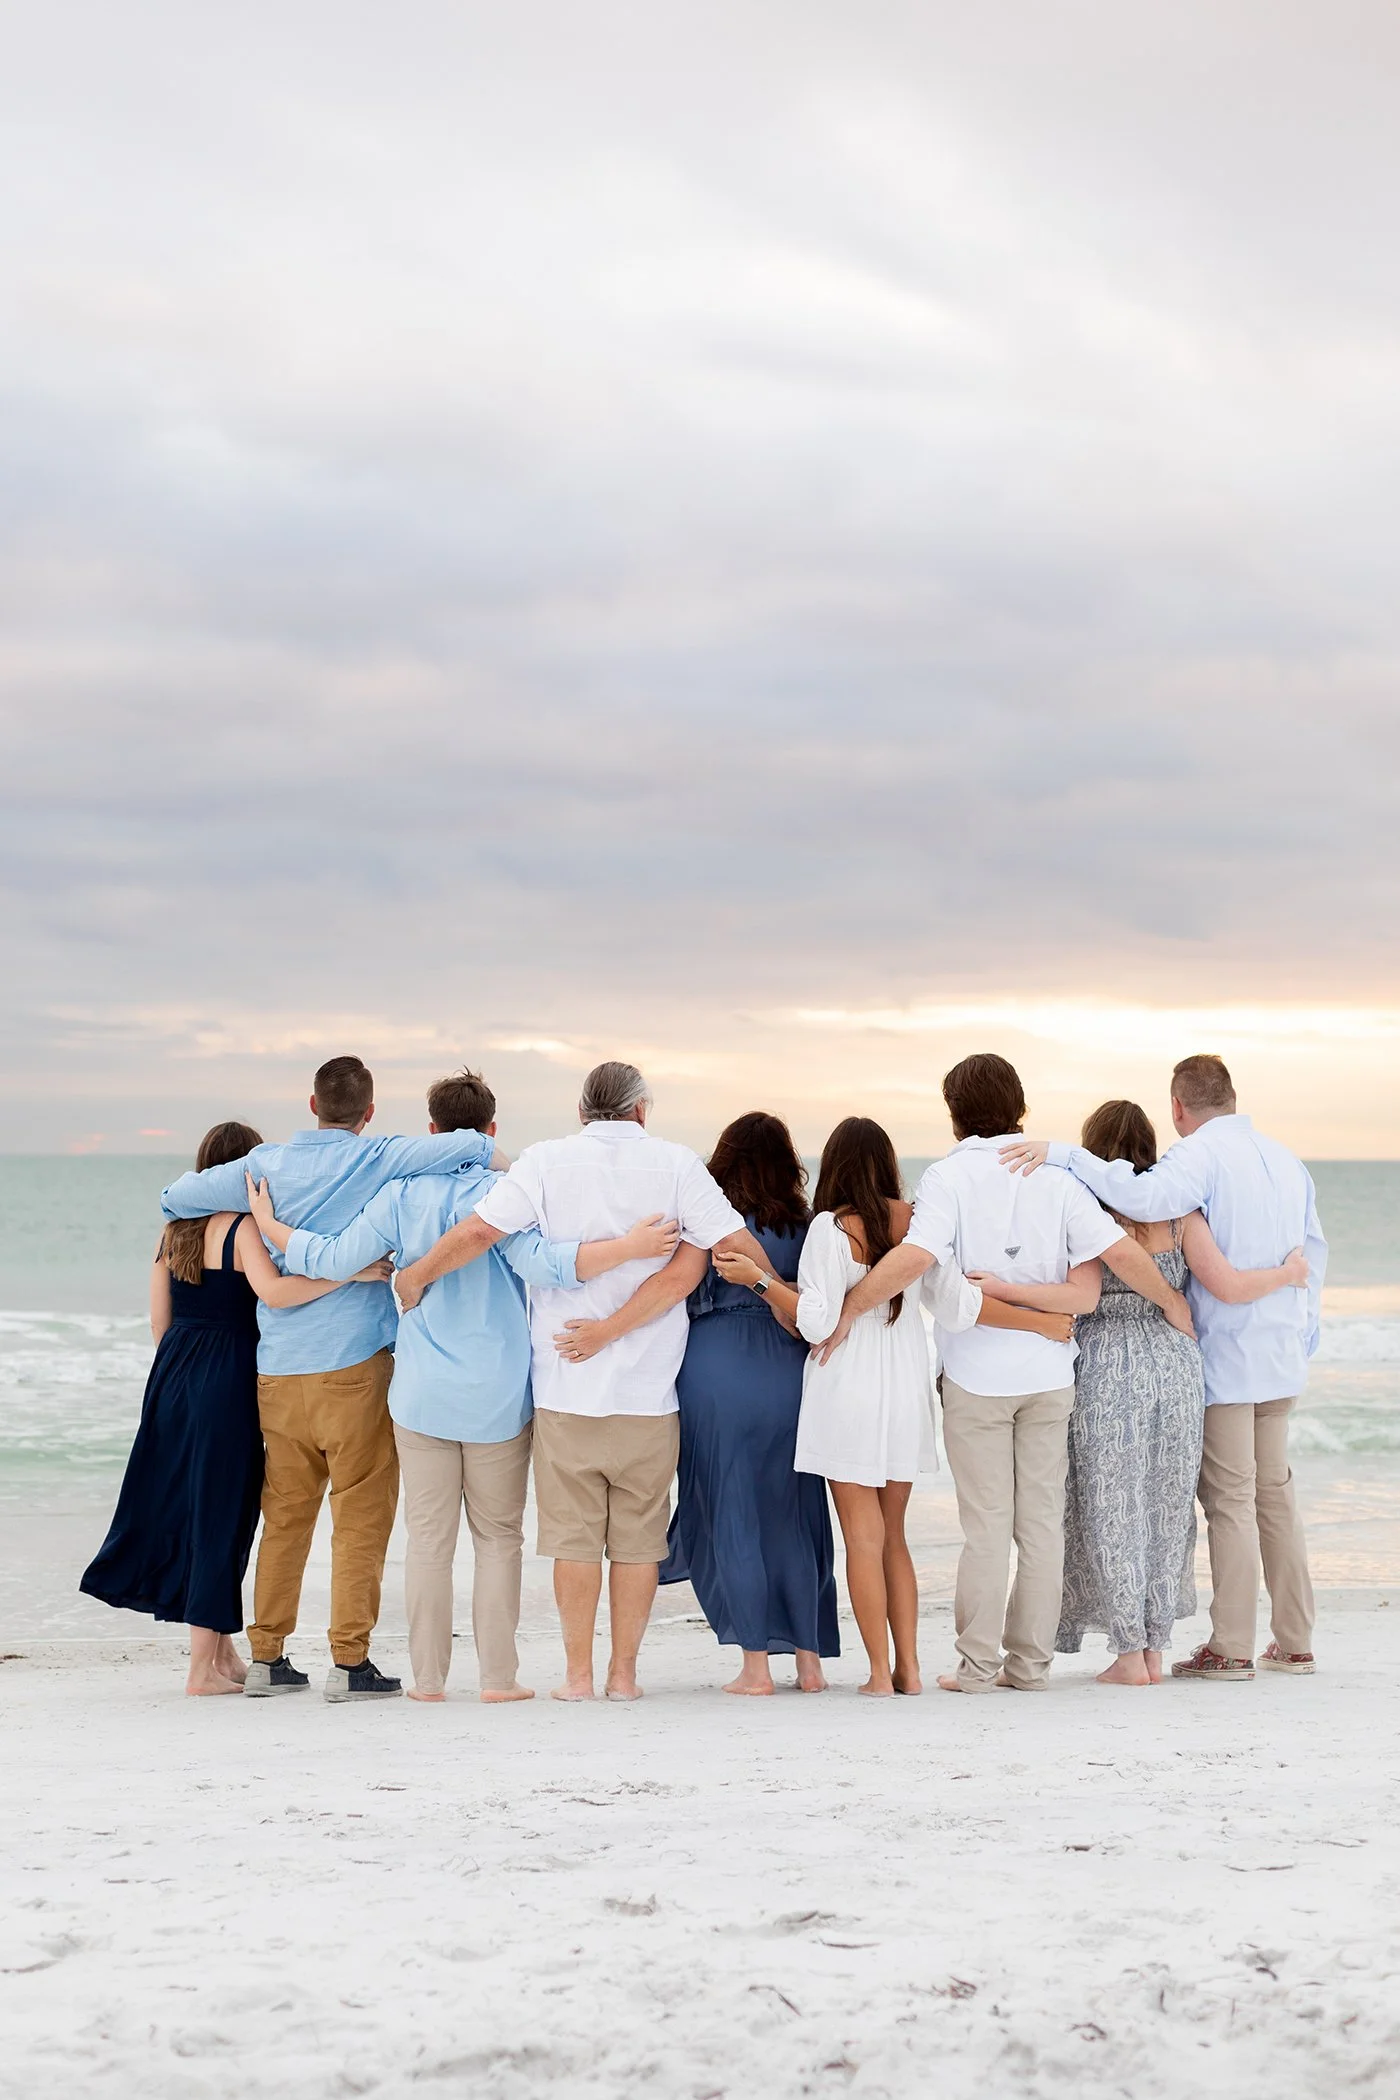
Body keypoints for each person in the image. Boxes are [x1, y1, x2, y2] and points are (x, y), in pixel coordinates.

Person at [246, 1067, 679, 1703]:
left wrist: (272, 1228)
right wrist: (630, 1246)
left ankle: (427, 1681)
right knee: (499, 1541)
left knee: (428, 1544)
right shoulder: (506, 1197)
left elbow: (333, 1259)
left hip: (420, 1398)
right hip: (498, 1401)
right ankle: (499, 1680)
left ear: (430, 1132)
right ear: (491, 1130)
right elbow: (553, 1267)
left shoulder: (397, 1199)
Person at [390, 1061, 774, 1703]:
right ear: (642, 1110)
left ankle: (577, 1677)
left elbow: (481, 1232)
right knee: (638, 1541)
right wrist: (791, 1301)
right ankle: (624, 1676)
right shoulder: (679, 1165)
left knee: (572, 1539)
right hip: (650, 1393)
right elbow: (720, 1253)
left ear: (582, 1111)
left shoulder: (544, 1162)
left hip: (566, 1387)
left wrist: (418, 1275)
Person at [814, 1056, 1196, 1694]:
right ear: (1018, 1105)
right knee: (1041, 1523)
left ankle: (978, 1665)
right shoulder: (1053, 1175)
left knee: (987, 1524)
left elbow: (917, 1256)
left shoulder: (949, 1177)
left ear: (953, 1111)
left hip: (977, 1379)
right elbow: (1120, 1253)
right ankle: (1031, 1666)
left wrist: (852, 1306)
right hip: (1051, 1376)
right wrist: (1170, 1300)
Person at [159, 1055, 505, 1702]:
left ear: (311, 1105)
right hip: (355, 1368)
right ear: (369, 1113)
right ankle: (350, 1663)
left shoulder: (265, 1166)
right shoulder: (380, 1156)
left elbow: (174, 1197)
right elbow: (470, 1146)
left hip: (278, 1373)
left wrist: (250, 1196)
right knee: (361, 1518)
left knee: (285, 1516)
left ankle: (267, 1658)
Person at [1001, 1053, 1327, 1682]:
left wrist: (1064, 1155)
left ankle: (1227, 1647)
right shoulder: (1287, 1160)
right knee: (1271, 1497)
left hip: (1213, 1360)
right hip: (1260, 1357)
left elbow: (1137, 1210)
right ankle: (1293, 1641)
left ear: (1179, 1106)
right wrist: (1298, 1319)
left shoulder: (1195, 1162)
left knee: (1218, 1501)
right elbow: (1313, 1253)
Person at [768, 1115, 1080, 1698]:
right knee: (893, 1536)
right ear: (888, 1164)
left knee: (859, 1537)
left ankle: (878, 1676)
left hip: (846, 1388)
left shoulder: (829, 1229)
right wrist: (1041, 1323)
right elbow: (959, 1306)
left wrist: (763, 1283)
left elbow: (814, 1322)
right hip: (906, 1390)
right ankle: (910, 1669)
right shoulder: (915, 1224)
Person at [80, 1121, 390, 1695]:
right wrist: (350, 1273)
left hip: (173, 1374)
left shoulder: (172, 1232)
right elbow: (274, 1293)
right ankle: (202, 1670)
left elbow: (158, 1321)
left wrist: (182, 1374)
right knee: (221, 1513)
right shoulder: (243, 1228)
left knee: (193, 1506)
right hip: (226, 1376)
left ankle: (222, 1655)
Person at [655, 1111, 837, 1696]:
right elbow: (815, 1312)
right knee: (795, 1514)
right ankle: (809, 1662)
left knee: (730, 1510)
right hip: (789, 1375)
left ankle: (756, 1666)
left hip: (715, 1371)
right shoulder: (809, 1229)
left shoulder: (706, 1223)